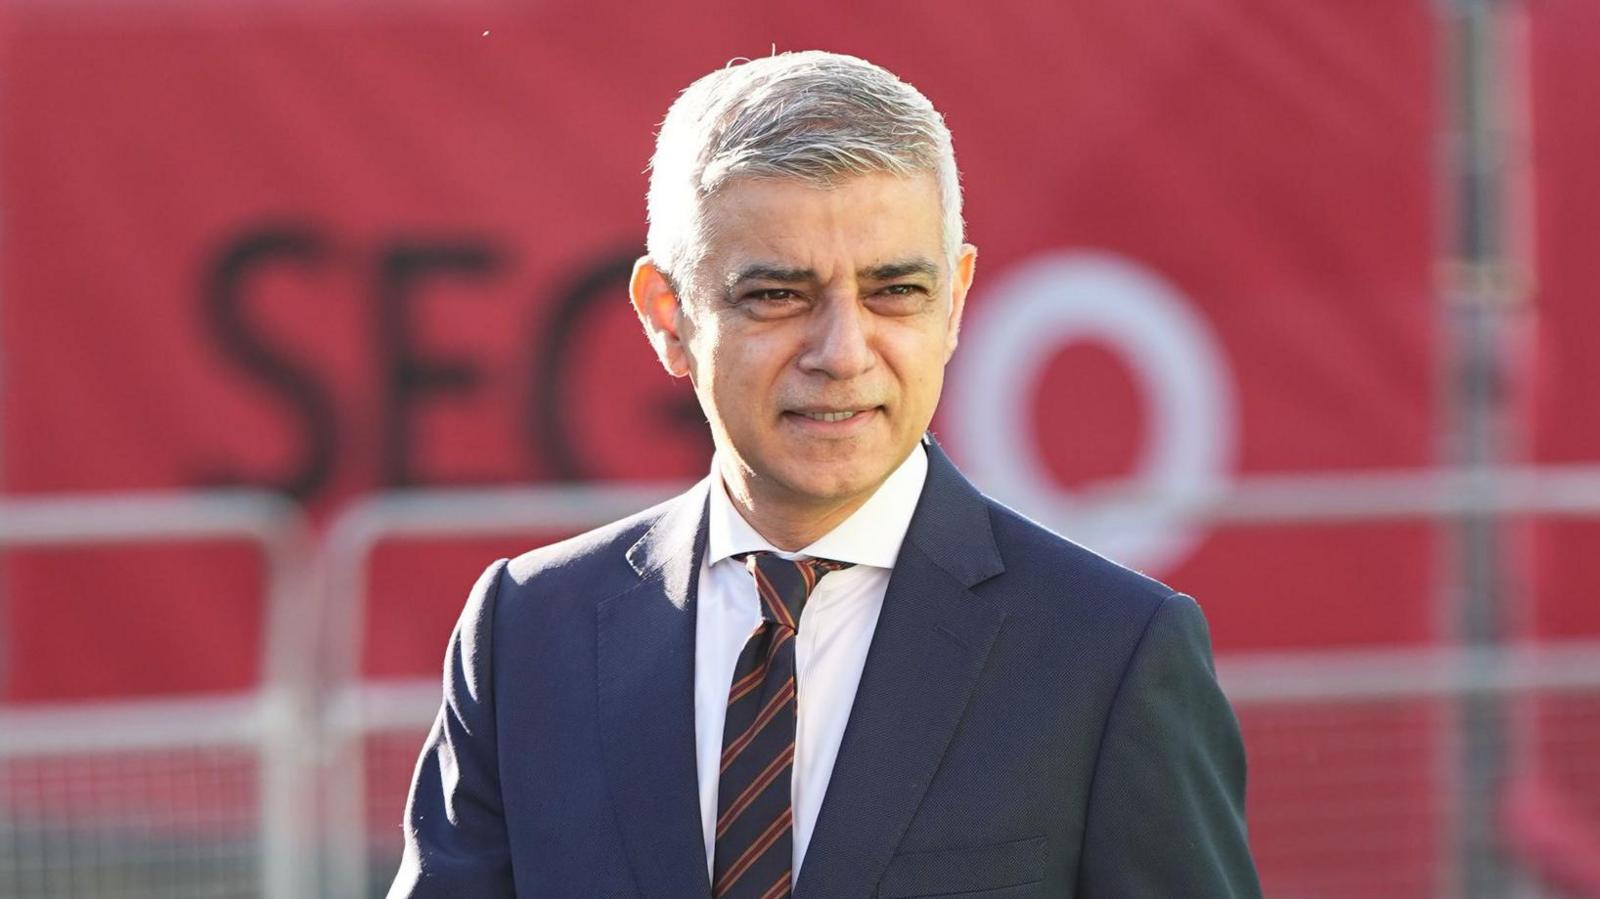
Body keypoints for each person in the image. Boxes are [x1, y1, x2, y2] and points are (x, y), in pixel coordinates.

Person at [389, 50, 1260, 898]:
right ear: (668, 316)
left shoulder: (1110, 651)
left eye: (895, 291)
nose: (842, 353)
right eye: (778, 295)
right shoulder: (529, 632)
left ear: (955, 302)